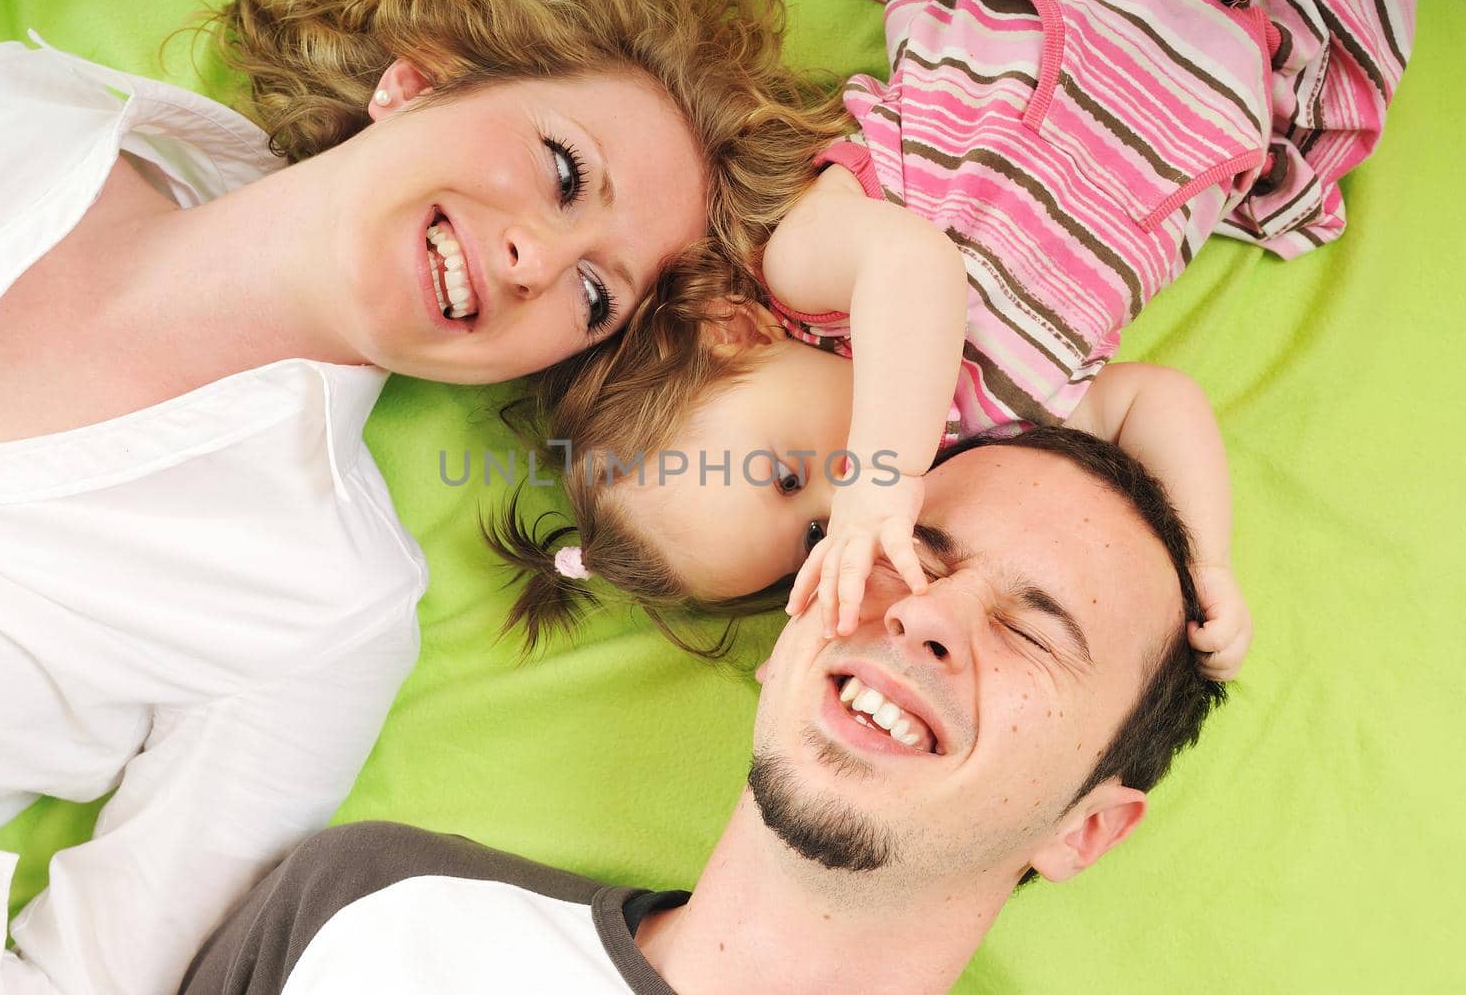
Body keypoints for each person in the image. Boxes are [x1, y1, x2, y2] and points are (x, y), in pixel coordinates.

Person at [0, 0, 846, 991]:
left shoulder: (325, 614)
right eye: (563, 171)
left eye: (594, 294)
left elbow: (92, 977)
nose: (536, 258)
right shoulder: (9, 115)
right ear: (415, 79)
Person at [491, 0, 1425, 671]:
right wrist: (1204, 559)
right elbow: (1149, 403)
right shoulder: (983, 441)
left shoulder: (809, 273)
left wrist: (877, 483)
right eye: (814, 535)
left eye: (782, 472)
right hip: (1249, 53)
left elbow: (918, 267)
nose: (837, 502)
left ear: (733, 331)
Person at [182, 425, 1228, 994]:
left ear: (1084, 828)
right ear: (786, 642)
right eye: (906, 556)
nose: (926, 615)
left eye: (1033, 631)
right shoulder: (375, 902)